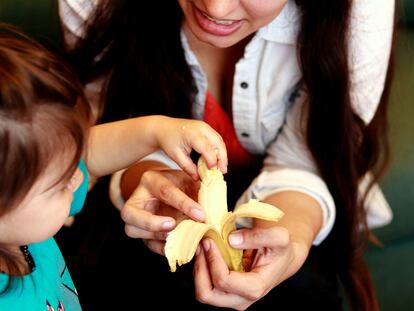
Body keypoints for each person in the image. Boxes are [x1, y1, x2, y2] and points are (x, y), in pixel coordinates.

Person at [59, 0, 395, 309]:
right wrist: (149, 180)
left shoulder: (361, 9)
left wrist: (289, 245)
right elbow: (112, 128)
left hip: (296, 197)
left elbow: (306, 159)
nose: (216, 9)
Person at [0, 24, 227, 310]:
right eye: (60, 183)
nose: (78, 176)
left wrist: (156, 131)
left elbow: (92, 153)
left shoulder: (20, 217)